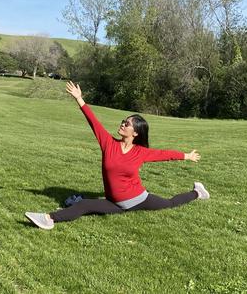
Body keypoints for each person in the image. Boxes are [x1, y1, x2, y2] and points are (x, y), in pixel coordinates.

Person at [25, 81, 209, 230]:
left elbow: (164, 154)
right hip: (114, 203)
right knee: (84, 205)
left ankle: (197, 192)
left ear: (135, 133)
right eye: (123, 121)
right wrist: (79, 99)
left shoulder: (140, 152)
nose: (122, 124)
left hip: (139, 199)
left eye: (127, 124)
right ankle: (48, 219)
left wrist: (186, 156)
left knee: (169, 203)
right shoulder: (108, 143)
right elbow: (94, 123)